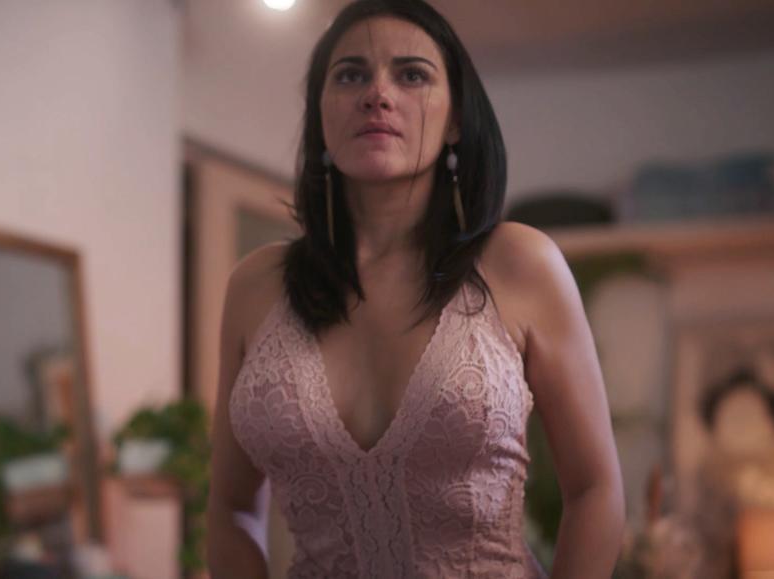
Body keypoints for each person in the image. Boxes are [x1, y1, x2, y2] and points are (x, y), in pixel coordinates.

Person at [206, 1, 625, 577]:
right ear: (320, 116)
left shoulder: (521, 264)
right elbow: (230, 508)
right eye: (350, 75)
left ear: (455, 120)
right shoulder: (255, 286)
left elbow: (595, 489)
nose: (377, 94)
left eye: (411, 75)